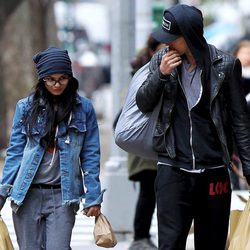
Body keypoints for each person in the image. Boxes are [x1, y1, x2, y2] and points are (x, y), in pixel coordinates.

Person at [136, 4, 250, 250]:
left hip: (214, 171)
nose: (167, 45)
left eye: (172, 39)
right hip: (172, 168)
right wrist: (162, 74)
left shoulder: (226, 65)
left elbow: (240, 119)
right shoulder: (161, 60)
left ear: (189, 36)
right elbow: (144, 103)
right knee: (170, 244)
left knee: (212, 244)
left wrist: (248, 168)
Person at [0, 46, 104, 249]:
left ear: (70, 78)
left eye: (62, 78)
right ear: (41, 79)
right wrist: (2, 192)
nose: (57, 84)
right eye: (50, 79)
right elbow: (15, 153)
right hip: (27, 195)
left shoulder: (83, 109)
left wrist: (93, 195)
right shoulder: (26, 107)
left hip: (62, 196)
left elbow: (91, 155)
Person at [128, 35, 164, 250]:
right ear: (152, 51)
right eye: (162, 48)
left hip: (157, 145)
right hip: (145, 147)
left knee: (153, 192)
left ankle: (143, 236)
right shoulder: (142, 74)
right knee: (148, 192)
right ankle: (140, 236)